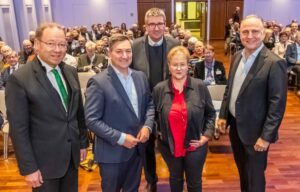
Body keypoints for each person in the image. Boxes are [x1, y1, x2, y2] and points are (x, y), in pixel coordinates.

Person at [6, 22, 89, 191]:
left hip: (71, 157)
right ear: (36, 44)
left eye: (62, 44)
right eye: (51, 44)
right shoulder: (20, 78)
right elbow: (18, 128)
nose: (57, 50)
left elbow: (78, 113)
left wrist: (82, 143)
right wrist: (29, 168)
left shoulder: (70, 71)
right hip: (43, 164)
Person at [217, 15, 287, 192]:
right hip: (236, 128)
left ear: (263, 34)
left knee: (255, 178)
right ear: (239, 33)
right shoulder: (237, 56)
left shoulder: (274, 63)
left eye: (255, 31)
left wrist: (266, 137)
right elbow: (230, 89)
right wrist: (223, 115)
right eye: (245, 31)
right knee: (242, 171)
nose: (250, 36)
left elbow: (277, 105)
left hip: (257, 134)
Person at [85, 34, 155, 192]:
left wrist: (147, 127)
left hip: (137, 151)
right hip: (112, 154)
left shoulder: (140, 77)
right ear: (109, 53)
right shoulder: (98, 82)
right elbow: (91, 120)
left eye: (128, 51)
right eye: (119, 51)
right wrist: (121, 138)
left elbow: (150, 104)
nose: (125, 56)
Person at [153, 46, 215, 192]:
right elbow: (152, 116)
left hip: (195, 146)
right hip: (169, 147)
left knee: (194, 182)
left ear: (188, 65)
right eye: (175, 65)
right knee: (175, 179)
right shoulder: (159, 89)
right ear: (169, 66)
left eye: (182, 64)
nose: (179, 68)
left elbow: (211, 114)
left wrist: (206, 136)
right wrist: (159, 134)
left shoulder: (200, 86)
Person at [131, 7, 180, 192]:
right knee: (147, 145)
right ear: (145, 26)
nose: (156, 28)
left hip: (169, 102)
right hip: (144, 104)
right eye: (152, 24)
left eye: (160, 24)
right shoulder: (135, 46)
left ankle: (175, 177)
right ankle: (151, 179)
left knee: (172, 141)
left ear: (165, 25)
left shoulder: (174, 43)